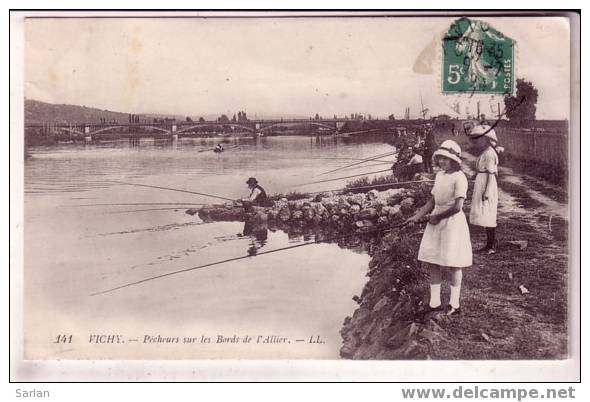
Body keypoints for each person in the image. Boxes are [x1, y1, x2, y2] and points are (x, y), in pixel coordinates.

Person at [406, 140, 472, 316]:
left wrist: (438, 217)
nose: (443, 162)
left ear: (455, 161)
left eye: (446, 159)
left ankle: (454, 304)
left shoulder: (460, 178)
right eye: (440, 158)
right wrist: (417, 216)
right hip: (436, 220)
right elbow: (432, 201)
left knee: (454, 263)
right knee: (433, 260)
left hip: (452, 223)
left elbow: (458, 207)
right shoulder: (440, 176)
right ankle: (434, 302)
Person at [468, 124, 500, 254]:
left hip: (488, 184)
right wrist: (475, 174)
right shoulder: (485, 152)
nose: (477, 142)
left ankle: (492, 244)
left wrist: (486, 192)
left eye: (480, 139)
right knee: (484, 214)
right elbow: (483, 169)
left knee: (488, 213)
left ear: (486, 139)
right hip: (482, 181)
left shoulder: (490, 154)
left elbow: (491, 174)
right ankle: (488, 243)